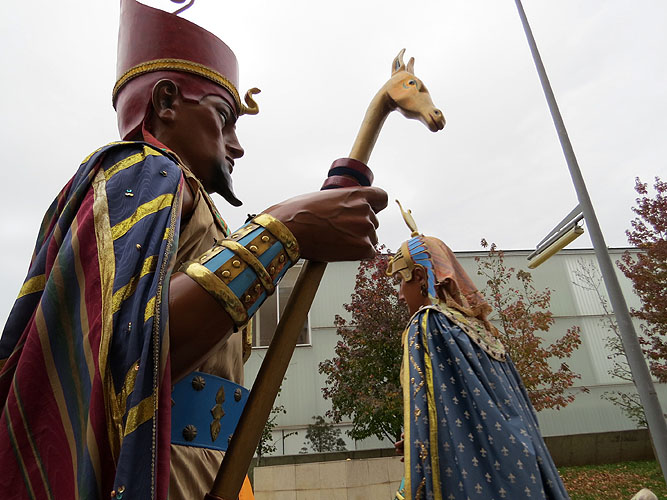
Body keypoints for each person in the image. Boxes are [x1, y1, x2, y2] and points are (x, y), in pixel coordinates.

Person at [0, 1, 387, 499]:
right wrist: (285, 230)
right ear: (166, 102)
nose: (237, 145)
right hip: (156, 472)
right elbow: (129, 347)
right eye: (224, 118)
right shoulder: (143, 172)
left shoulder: (185, 198)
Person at [387, 202, 569, 499]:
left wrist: (417, 440)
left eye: (400, 281)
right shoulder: (482, 329)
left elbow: (429, 407)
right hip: (523, 467)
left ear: (419, 276)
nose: (399, 294)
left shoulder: (428, 323)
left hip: (476, 479)